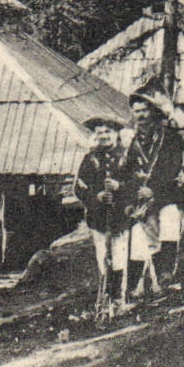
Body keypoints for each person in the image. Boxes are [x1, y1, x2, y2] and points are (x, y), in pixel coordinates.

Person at [129, 77, 184, 290]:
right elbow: (128, 169)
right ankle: (158, 279)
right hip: (145, 198)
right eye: (137, 112)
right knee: (151, 234)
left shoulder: (168, 135)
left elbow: (172, 165)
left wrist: (152, 187)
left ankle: (167, 272)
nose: (141, 116)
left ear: (153, 111)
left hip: (168, 192)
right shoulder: (133, 141)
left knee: (170, 225)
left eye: (145, 110)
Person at [73, 117, 136, 316]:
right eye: (100, 133)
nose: (104, 136)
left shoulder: (126, 158)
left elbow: (137, 184)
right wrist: (96, 196)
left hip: (120, 217)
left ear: (116, 134)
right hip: (98, 219)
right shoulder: (90, 159)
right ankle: (103, 302)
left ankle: (119, 301)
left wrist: (120, 187)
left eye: (108, 132)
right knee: (103, 260)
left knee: (119, 259)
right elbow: (79, 188)